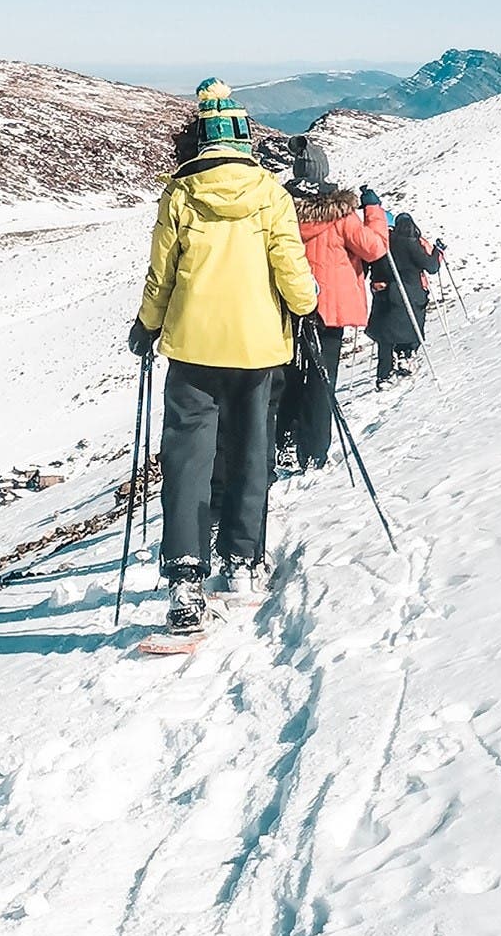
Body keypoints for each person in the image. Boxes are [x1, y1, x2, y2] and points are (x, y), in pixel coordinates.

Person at [127, 80, 318, 635]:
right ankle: (242, 563)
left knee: (188, 458)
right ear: (243, 137)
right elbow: (290, 266)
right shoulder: (270, 193)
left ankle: (185, 578)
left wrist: (148, 325)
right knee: (251, 449)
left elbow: (162, 273)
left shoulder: (180, 193)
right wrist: (305, 306)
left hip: (192, 349)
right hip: (259, 348)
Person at [276, 139, 388, 471]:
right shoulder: (341, 216)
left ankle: (283, 441)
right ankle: (313, 452)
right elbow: (375, 249)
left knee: (290, 376)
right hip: (329, 310)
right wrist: (374, 211)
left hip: (289, 307)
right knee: (322, 382)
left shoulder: (281, 210)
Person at [368, 212, 445, 387]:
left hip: (384, 294)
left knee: (386, 336)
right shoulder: (409, 242)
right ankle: (406, 355)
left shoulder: (379, 243)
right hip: (411, 293)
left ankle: (384, 375)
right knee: (413, 326)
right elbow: (431, 266)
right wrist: (438, 252)